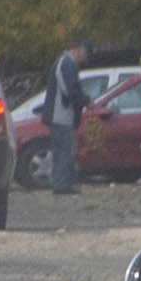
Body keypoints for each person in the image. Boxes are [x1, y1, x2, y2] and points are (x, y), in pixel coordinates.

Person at [46, 37, 91, 195]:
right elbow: (69, 89)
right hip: (62, 116)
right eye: (86, 54)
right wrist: (85, 101)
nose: (86, 59)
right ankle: (62, 185)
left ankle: (59, 184)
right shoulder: (66, 64)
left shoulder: (63, 62)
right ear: (79, 50)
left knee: (60, 152)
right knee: (65, 151)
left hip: (59, 116)